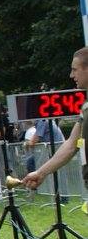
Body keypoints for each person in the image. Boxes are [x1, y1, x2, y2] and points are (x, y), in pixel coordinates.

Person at [23, 47, 88, 211]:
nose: (71, 75)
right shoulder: (86, 108)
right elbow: (71, 144)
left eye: (75, 69)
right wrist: (41, 172)